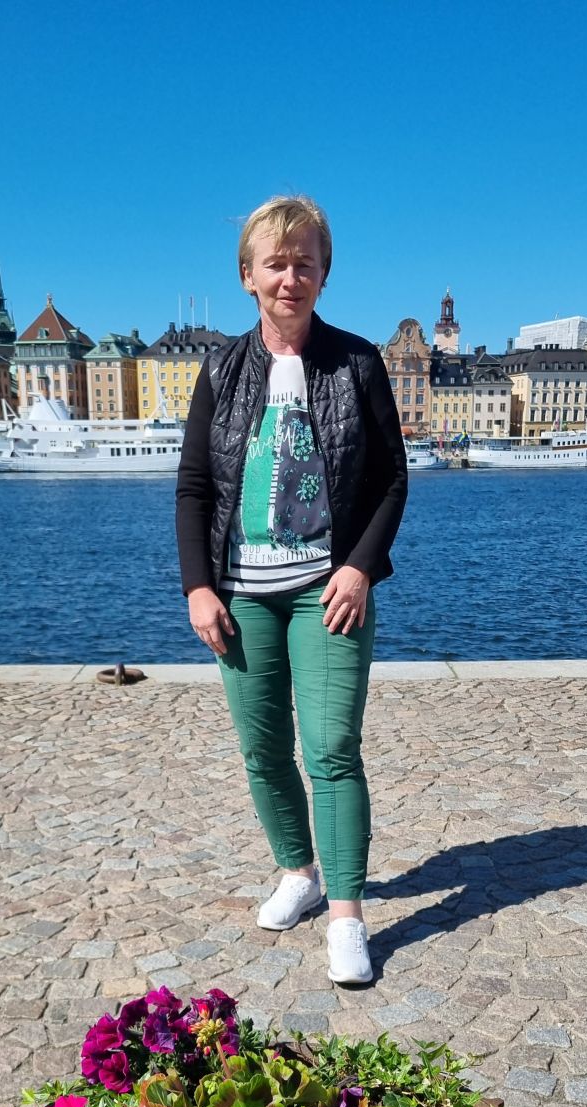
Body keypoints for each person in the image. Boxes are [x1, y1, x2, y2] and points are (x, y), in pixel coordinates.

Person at [176, 195, 407, 985]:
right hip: (242, 596)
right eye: (276, 262)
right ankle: (298, 873)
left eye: (305, 262)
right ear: (248, 276)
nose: (291, 277)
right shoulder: (221, 369)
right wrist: (197, 588)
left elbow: (389, 482)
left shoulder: (356, 363)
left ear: (324, 272)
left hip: (325, 590)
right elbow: (196, 487)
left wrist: (358, 566)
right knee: (262, 750)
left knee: (332, 750)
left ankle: (346, 912)